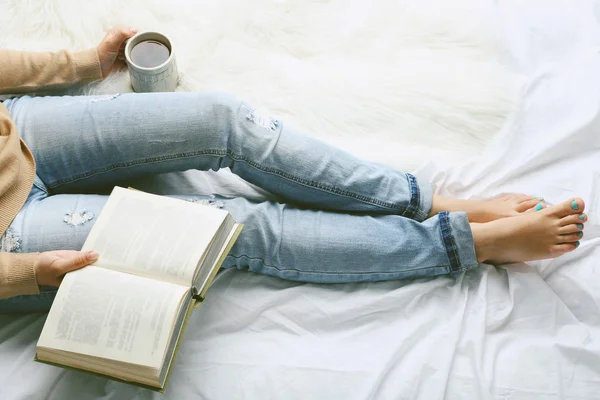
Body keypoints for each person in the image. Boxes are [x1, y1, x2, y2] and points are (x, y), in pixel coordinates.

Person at [0, 27, 586, 313]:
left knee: (222, 118)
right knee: (232, 228)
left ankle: (425, 200)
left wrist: (77, 63)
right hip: (13, 240)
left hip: (16, 129)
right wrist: (26, 274)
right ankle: (463, 244)